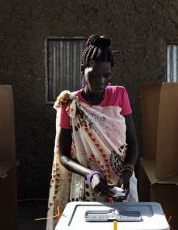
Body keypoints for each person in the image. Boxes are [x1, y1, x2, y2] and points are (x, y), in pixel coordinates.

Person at [46, 34, 139, 229]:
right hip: (87, 185)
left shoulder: (120, 95)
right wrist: (91, 175)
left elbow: (133, 143)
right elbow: (63, 156)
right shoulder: (70, 103)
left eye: (106, 75)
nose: (101, 81)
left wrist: (127, 173)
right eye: (94, 75)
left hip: (122, 183)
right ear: (83, 71)